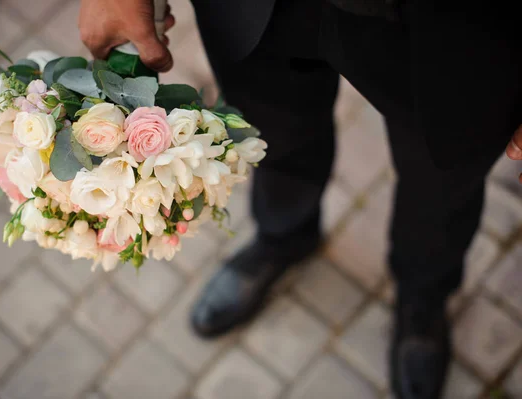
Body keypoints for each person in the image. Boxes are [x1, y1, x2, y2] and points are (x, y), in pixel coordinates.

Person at [78, 1, 522, 398]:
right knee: (272, 139)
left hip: (456, 27)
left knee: (440, 185)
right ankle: (284, 236)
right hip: (259, 10)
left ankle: (423, 299)